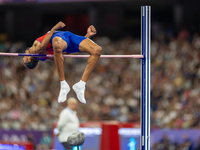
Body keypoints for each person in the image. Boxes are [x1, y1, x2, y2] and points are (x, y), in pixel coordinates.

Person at [23, 21, 102, 104]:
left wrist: (86, 37)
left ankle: (81, 84)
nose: (23, 56)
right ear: (29, 59)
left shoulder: (45, 57)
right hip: (58, 37)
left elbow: (65, 52)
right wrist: (54, 28)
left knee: (97, 50)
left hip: (68, 38)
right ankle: (63, 84)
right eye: (24, 58)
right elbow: (43, 46)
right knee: (57, 45)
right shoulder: (33, 51)